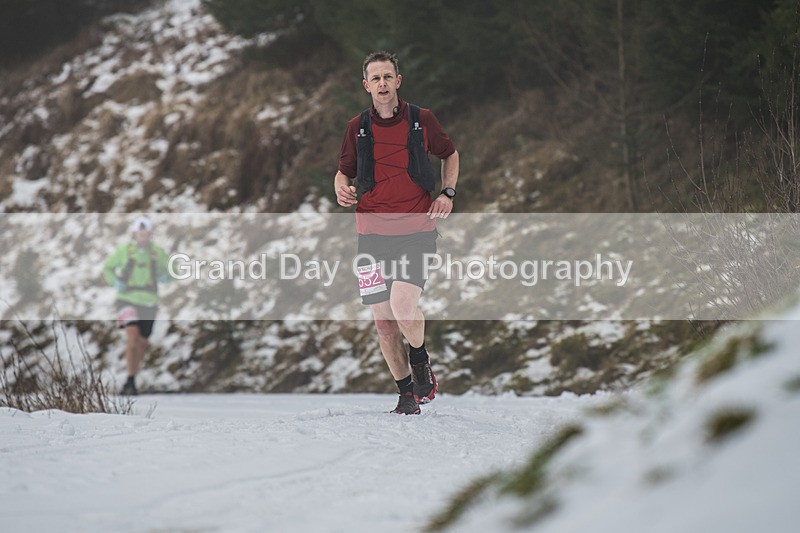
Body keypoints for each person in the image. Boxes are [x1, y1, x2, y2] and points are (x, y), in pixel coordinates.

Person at [334, 51, 459, 415]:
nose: (383, 84)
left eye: (388, 77)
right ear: (366, 86)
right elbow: (344, 171)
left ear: (398, 81)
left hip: (416, 230)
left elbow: (450, 153)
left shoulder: (422, 120)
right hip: (370, 235)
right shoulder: (357, 127)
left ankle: (420, 362)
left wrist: (448, 193)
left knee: (404, 307)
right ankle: (406, 394)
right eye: (376, 79)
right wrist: (340, 187)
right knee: (384, 323)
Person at [103, 216, 170, 395]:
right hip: (126, 299)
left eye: (146, 233)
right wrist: (116, 282)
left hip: (149, 301)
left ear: (150, 234)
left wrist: (166, 276)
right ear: (134, 234)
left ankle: (132, 377)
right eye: (140, 233)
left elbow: (173, 269)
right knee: (132, 337)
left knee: (142, 342)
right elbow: (107, 268)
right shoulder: (124, 251)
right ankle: (130, 380)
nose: (143, 237)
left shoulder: (157, 253)